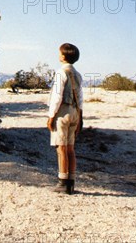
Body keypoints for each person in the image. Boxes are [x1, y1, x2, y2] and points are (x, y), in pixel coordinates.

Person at [47, 43, 83, 194]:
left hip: (63, 111)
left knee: (61, 147)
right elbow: (80, 97)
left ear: (63, 56)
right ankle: (71, 182)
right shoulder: (78, 74)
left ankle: (63, 182)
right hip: (75, 111)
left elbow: (57, 96)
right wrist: (80, 116)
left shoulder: (61, 72)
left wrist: (51, 116)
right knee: (70, 148)